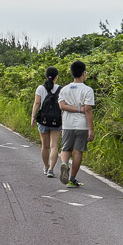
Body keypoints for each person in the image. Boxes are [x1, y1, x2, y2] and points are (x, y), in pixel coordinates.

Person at [57, 60, 94, 188]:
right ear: (84, 73)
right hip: (82, 125)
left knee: (65, 149)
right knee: (78, 152)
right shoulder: (88, 90)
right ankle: (72, 180)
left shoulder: (64, 89)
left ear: (72, 73)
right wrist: (91, 129)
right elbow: (88, 109)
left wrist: (74, 108)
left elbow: (62, 106)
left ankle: (65, 164)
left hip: (67, 124)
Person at [30, 65, 62, 178]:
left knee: (45, 146)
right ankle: (51, 170)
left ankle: (46, 166)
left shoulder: (40, 88)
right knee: (54, 146)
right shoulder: (60, 89)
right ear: (56, 77)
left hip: (43, 120)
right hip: (56, 121)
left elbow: (37, 103)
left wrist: (33, 117)